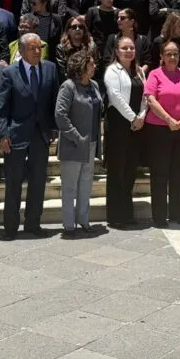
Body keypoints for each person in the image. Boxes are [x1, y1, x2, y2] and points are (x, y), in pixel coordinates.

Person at [0, 33, 58, 240]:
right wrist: (3, 134)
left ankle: (33, 223)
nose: (37, 51)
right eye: (32, 48)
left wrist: (54, 128)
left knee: (38, 182)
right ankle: (10, 227)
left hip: (41, 135)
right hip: (16, 134)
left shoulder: (50, 68)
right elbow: (1, 107)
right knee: (13, 183)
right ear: (21, 51)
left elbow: (53, 101)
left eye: (39, 47)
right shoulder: (9, 73)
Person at [144, 39, 180, 227]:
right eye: (168, 54)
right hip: (159, 129)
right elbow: (151, 100)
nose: (172, 57)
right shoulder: (155, 75)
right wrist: (169, 120)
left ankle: (176, 213)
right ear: (162, 57)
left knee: (178, 173)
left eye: (175, 54)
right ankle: (159, 216)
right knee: (159, 174)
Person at [55, 50, 103, 238]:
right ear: (82, 66)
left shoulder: (94, 85)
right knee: (69, 186)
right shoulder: (68, 87)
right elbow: (60, 114)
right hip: (73, 144)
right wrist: (75, 136)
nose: (94, 66)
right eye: (91, 63)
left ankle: (84, 220)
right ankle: (68, 225)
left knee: (86, 184)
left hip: (90, 143)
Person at [103, 36, 147, 229]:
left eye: (131, 48)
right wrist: (133, 118)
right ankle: (115, 215)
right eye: (124, 48)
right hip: (119, 125)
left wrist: (142, 116)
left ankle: (127, 213)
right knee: (117, 171)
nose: (129, 51)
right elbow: (115, 97)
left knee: (130, 170)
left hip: (137, 126)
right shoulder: (112, 71)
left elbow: (146, 96)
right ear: (117, 51)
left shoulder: (138, 71)